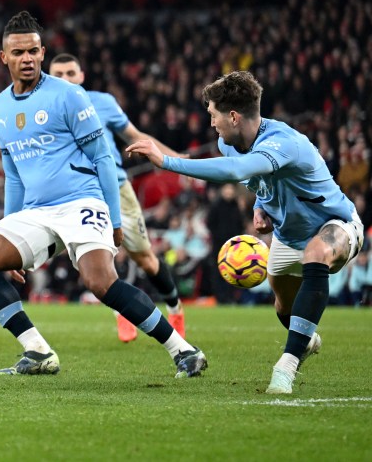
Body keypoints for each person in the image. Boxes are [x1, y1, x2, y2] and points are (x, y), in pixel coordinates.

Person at [0, 11, 206, 378]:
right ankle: (38, 351)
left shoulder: (69, 96)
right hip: (36, 212)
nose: (26, 59)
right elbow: (12, 175)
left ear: (43, 53)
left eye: (32, 51)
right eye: (18, 53)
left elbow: (103, 158)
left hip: (81, 201)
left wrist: (113, 216)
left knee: (100, 282)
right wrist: (9, 224)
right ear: (4, 58)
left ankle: (184, 351)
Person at [128, 71, 364, 394]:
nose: (212, 124)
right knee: (284, 307)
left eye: (213, 115)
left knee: (316, 252)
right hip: (288, 235)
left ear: (233, 116)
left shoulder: (285, 143)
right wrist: (261, 206)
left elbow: (238, 171)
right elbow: (256, 181)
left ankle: (286, 367)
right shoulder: (230, 144)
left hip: (336, 224)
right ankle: (305, 339)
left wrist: (168, 162)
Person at [50, 53, 186, 342]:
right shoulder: (45, 109)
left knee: (146, 259)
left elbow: (134, 135)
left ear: (81, 76)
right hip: (78, 193)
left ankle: (175, 308)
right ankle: (122, 311)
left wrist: (174, 158)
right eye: (58, 74)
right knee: (98, 255)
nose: (65, 79)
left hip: (117, 187)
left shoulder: (103, 103)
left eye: (70, 73)